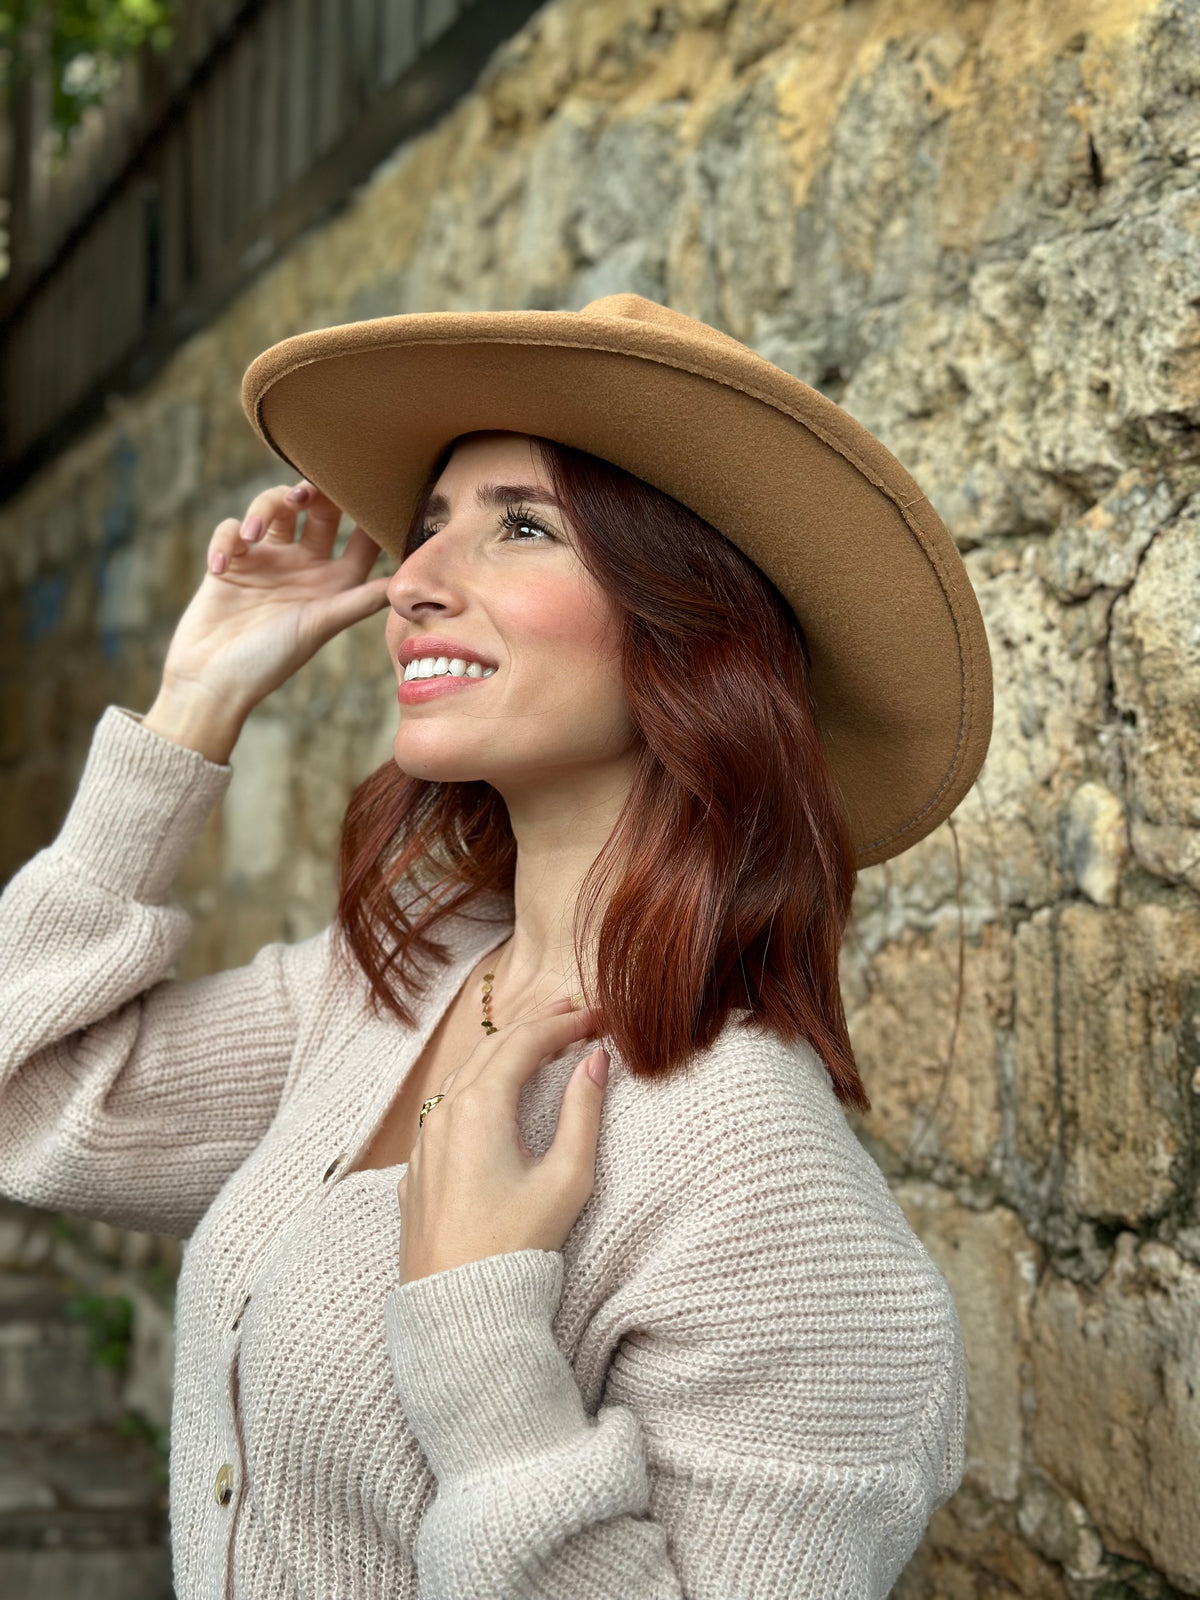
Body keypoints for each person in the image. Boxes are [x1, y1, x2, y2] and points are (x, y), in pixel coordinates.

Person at [0, 294, 992, 1600]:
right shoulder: (383, 993)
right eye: (427, 529)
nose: (410, 582)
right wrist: (196, 701)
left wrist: (483, 1344)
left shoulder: (766, 1196)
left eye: (521, 526)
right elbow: (33, 1093)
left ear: (690, 633)